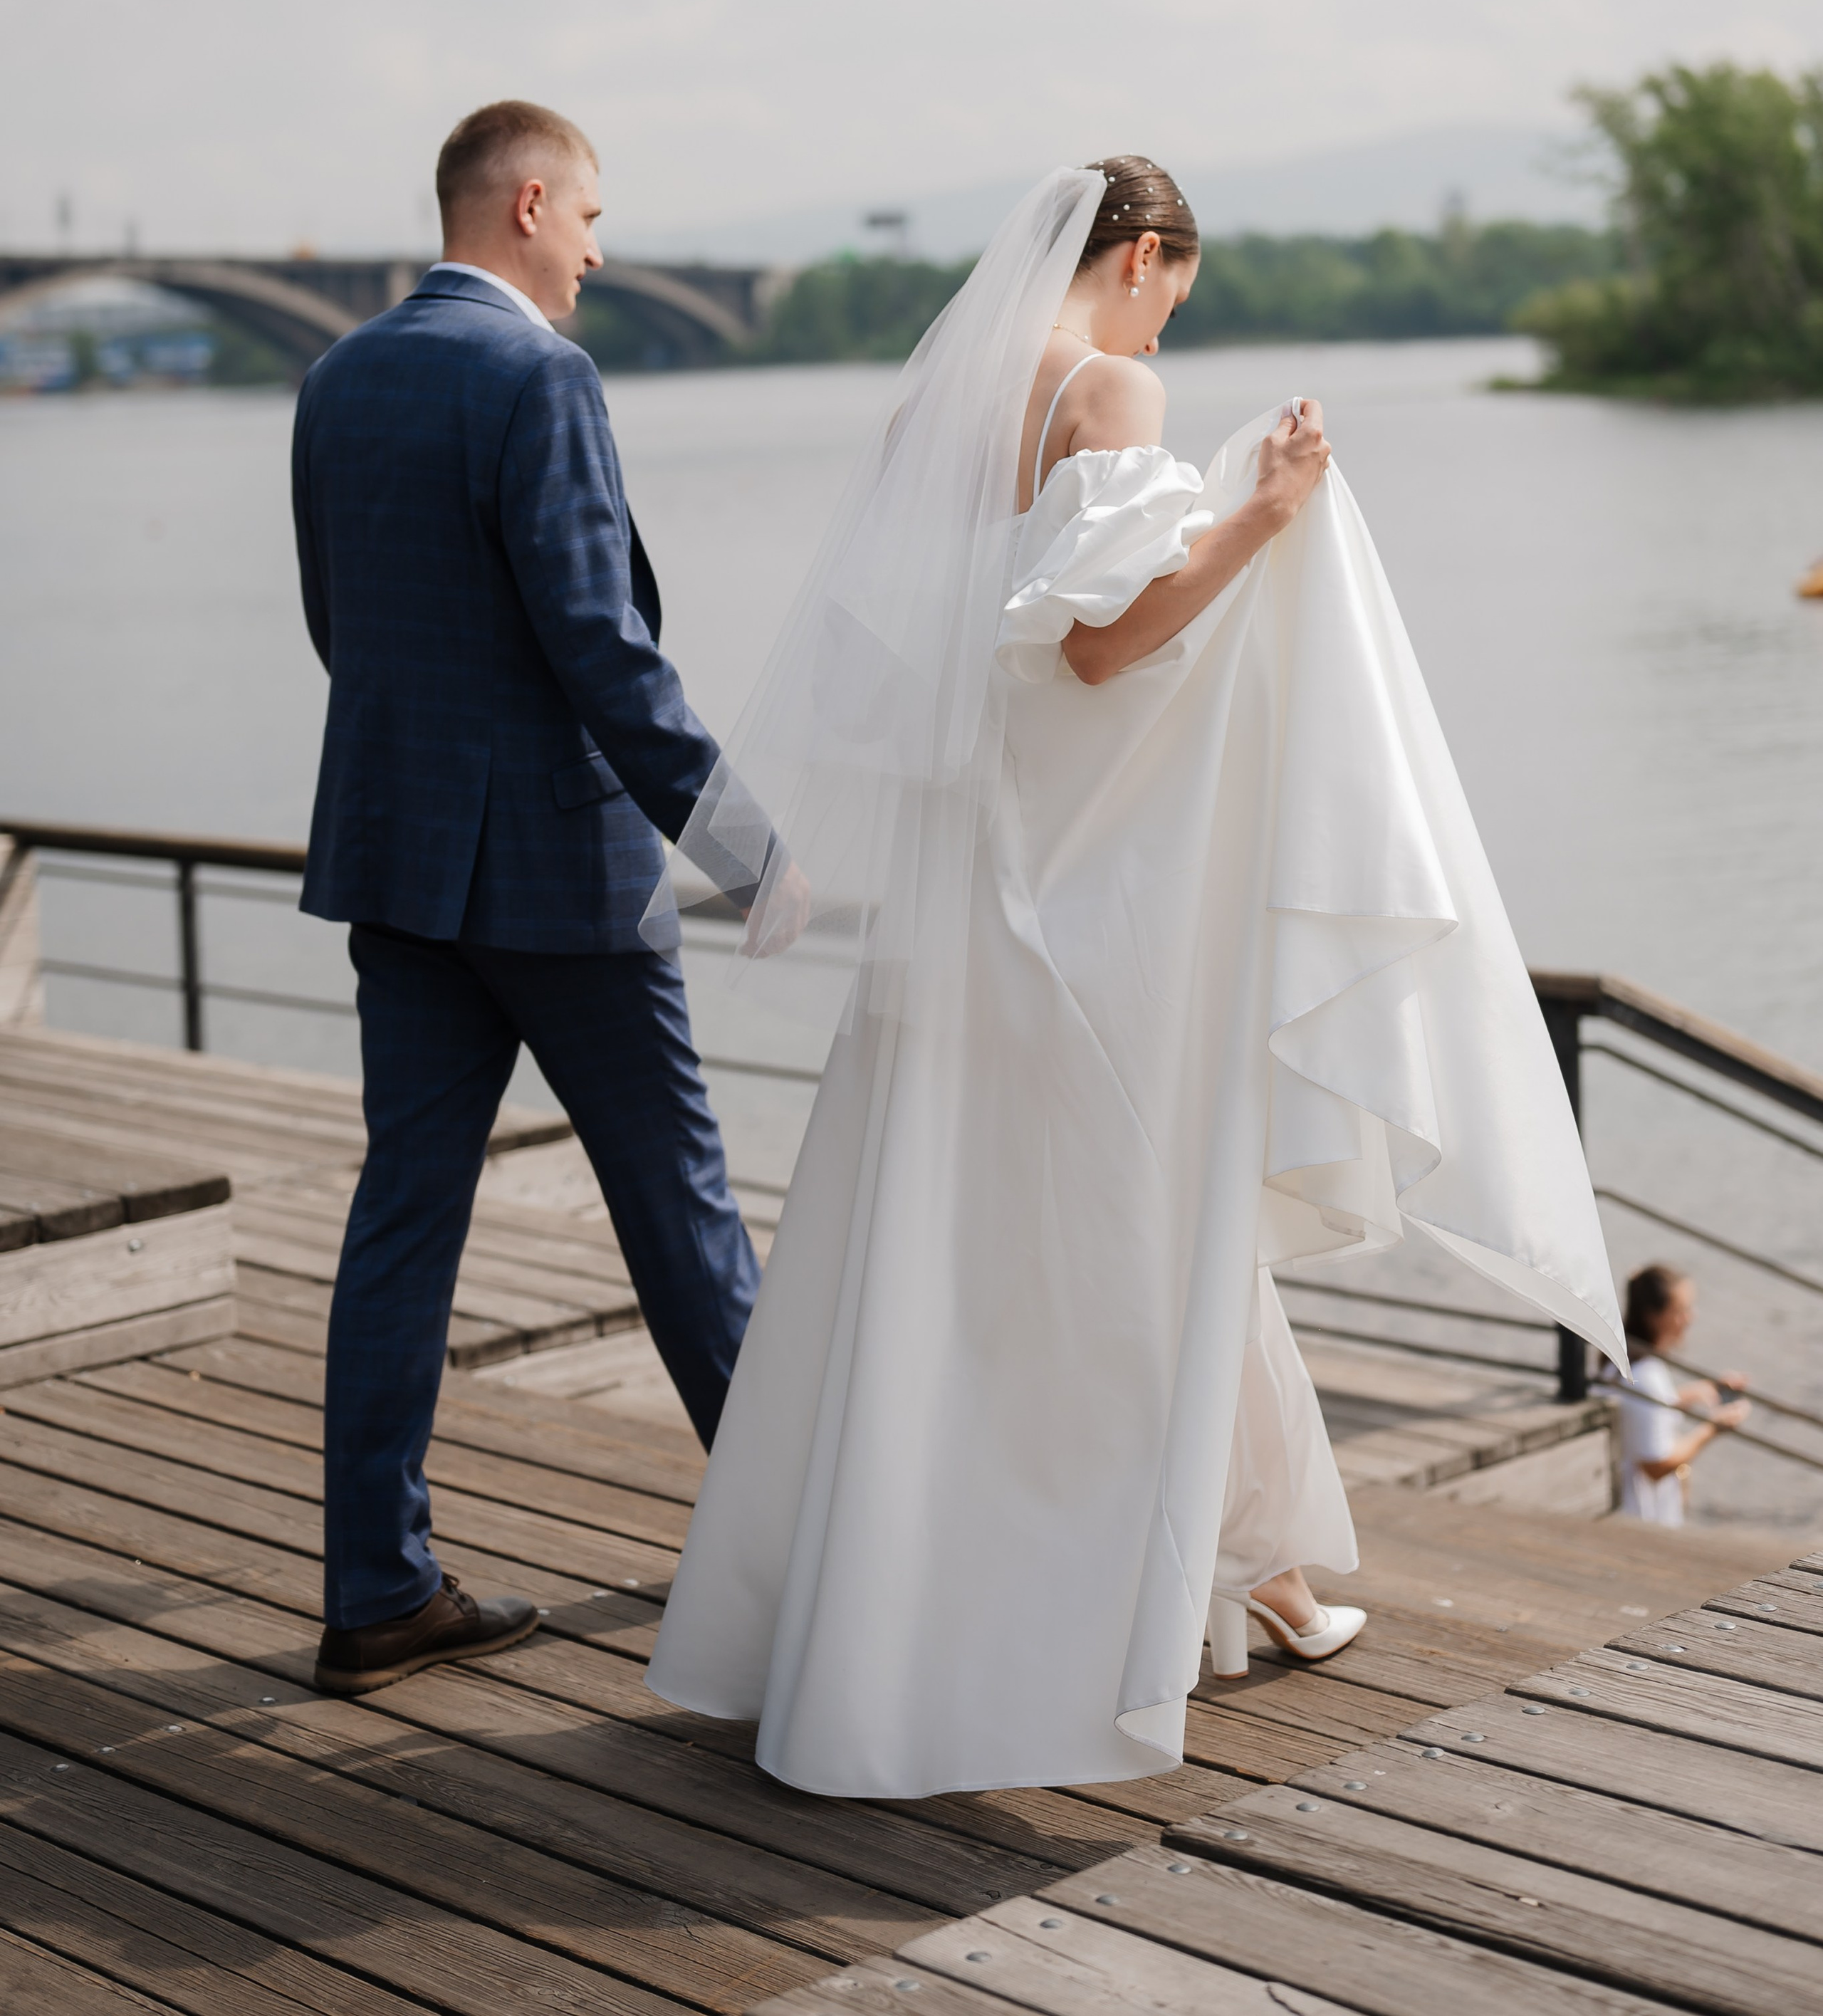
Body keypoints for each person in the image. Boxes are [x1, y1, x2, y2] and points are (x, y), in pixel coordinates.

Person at [645, 161, 1625, 1800]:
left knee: (952, 1242)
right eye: (1173, 284)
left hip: (965, 884)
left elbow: (936, 658)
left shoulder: (930, 415)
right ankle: (1145, 1597)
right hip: (1070, 906)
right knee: (1124, 1234)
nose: (1167, 317)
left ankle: (1221, 1570)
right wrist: (1263, 512)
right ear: (1143, 253)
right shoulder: (1107, 386)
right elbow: (1101, 646)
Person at [293, 98, 761, 1697]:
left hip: (398, 861)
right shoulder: (541, 375)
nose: (598, 256)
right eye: (592, 221)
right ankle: (796, 1560)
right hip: (561, 878)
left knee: (403, 1217)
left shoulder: (336, 375)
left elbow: (339, 625)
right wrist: (750, 848)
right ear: (533, 202)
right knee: (681, 1208)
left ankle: (377, 1591)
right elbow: (601, 646)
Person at [1609, 1263, 1749, 1524]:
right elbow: (1656, 1466)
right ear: (1653, 1316)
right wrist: (1713, 1429)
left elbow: (1641, 1411)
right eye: (1681, 1311)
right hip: (1645, 1520)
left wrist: (1704, 1390)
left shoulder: (1619, 1362)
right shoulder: (1646, 1377)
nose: (1690, 1318)